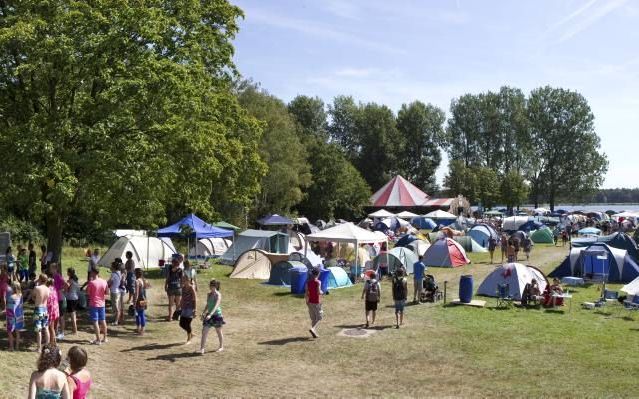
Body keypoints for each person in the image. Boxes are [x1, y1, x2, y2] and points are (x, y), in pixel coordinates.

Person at [199, 279, 225, 354]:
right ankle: (202, 349)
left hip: (217, 315)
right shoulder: (209, 294)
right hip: (209, 315)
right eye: (210, 285)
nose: (210, 287)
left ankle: (221, 347)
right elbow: (207, 304)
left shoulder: (218, 295)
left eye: (211, 285)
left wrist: (210, 314)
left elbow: (216, 306)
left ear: (215, 286)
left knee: (218, 331)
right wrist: (204, 313)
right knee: (204, 331)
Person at [86, 268, 108, 345]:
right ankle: (105, 338)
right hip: (102, 304)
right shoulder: (104, 281)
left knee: (95, 322)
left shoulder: (91, 283)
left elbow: (88, 293)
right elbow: (107, 292)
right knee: (103, 320)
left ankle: (98, 340)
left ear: (93, 273)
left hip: (94, 304)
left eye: (91, 272)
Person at [32, 274, 51, 352]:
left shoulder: (37, 288)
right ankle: (47, 346)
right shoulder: (48, 289)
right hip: (45, 310)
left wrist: (35, 299)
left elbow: (33, 296)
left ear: (40, 279)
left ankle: (39, 348)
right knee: (46, 328)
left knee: (38, 329)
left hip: (38, 309)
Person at [50, 263, 66, 339]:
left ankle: (62, 333)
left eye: (51, 268)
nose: (50, 269)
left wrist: (61, 290)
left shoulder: (58, 276)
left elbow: (66, 284)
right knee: (56, 316)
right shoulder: (53, 276)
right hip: (55, 299)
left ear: (55, 268)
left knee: (61, 316)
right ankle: (56, 331)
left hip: (60, 299)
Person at [304, 268, 322, 338]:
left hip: (310, 302)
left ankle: (314, 333)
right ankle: (313, 329)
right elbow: (318, 292)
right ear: (318, 274)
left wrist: (307, 301)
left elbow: (306, 293)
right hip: (317, 302)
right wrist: (322, 292)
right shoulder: (318, 282)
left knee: (313, 318)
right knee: (319, 317)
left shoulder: (308, 283)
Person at [6, 281, 24, 351]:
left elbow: (9, 308)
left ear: (13, 288)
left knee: (10, 331)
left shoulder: (11, 297)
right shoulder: (21, 296)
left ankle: (11, 347)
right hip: (19, 316)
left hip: (12, 317)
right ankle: (17, 347)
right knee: (17, 332)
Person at [179, 275, 197, 344]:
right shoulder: (183, 288)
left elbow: (195, 299)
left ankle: (189, 339)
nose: (182, 281)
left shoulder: (191, 288)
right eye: (182, 280)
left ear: (188, 280)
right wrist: (179, 306)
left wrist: (195, 310)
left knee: (187, 323)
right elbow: (182, 298)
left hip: (190, 308)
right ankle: (191, 333)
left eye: (184, 280)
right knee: (181, 323)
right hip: (184, 307)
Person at [107, 260, 124, 326]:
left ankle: (116, 321)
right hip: (118, 291)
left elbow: (109, 282)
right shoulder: (119, 272)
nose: (110, 267)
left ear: (113, 267)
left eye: (111, 266)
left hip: (114, 292)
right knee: (115, 306)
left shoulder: (113, 274)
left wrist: (106, 284)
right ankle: (115, 319)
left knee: (116, 307)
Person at [65, 268, 80, 335]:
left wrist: (65, 289)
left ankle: (75, 330)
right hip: (75, 298)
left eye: (67, 272)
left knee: (72, 315)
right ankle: (74, 329)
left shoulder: (70, 280)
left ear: (69, 273)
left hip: (71, 299)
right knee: (73, 314)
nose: (66, 273)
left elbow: (66, 287)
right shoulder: (76, 280)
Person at [133, 268, 148, 335]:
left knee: (138, 315)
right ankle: (142, 329)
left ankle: (140, 329)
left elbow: (136, 293)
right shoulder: (143, 280)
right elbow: (145, 291)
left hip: (139, 300)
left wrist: (134, 302)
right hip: (144, 299)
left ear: (136, 274)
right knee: (142, 314)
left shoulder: (137, 281)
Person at [46, 278, 60, 345]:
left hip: (51, 311)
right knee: (54, 327)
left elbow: (48, 302)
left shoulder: (48, 290)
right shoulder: (54, 289)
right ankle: (54, 341)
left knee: (51, 328)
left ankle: (53, 342)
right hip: (56, 310)